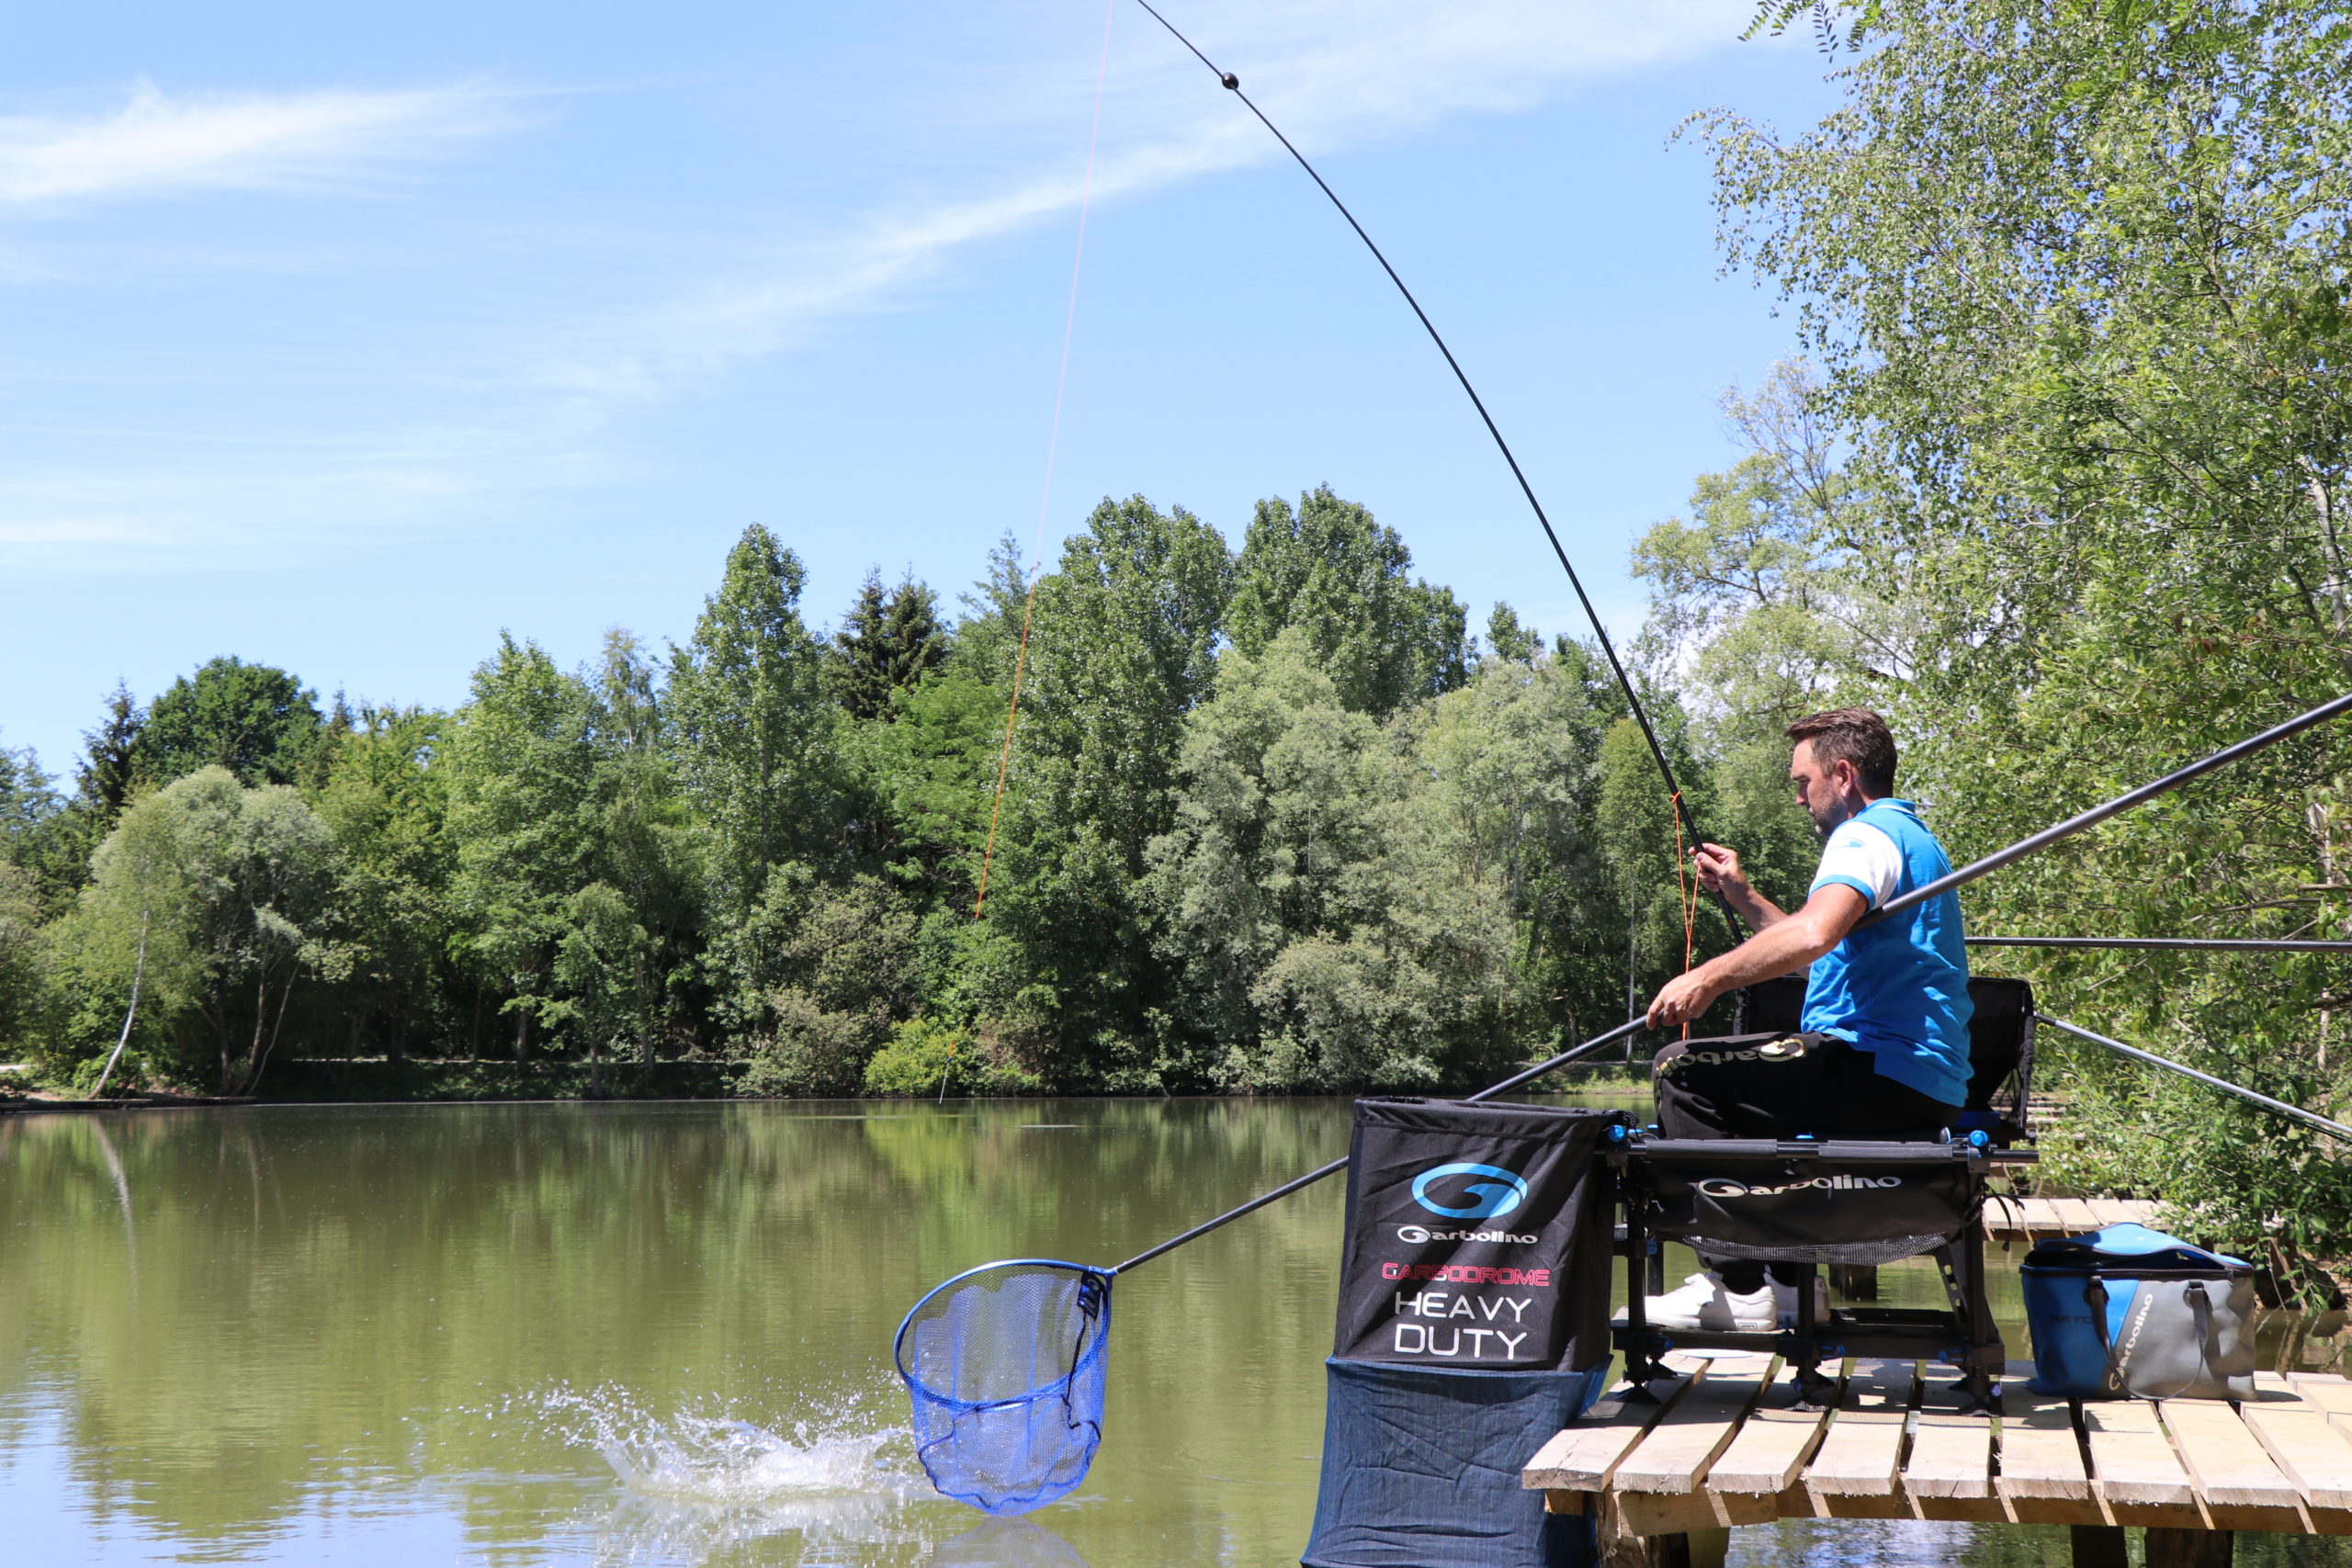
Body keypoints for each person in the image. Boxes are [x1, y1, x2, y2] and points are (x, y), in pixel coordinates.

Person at [1631, 706, 1973, 1331]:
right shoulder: (1910, 836)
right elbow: (1818, 941)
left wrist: (1706, 976)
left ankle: (1738, 1285)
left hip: (1879, 1072)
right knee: (1763, 1080)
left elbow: (1812, 934)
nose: (1797, 798)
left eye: (1802, 781)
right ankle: (1786, 1285)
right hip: (1916, 1083)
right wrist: (1741, 894)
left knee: (1683, 1074)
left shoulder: (1864, 835)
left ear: (1842, 774)